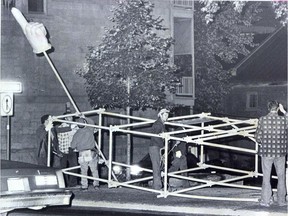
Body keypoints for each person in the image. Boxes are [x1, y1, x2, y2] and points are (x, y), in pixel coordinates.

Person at [255, 101, 287, 207]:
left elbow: (257, 138)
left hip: (267, 152)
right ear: (277, 108)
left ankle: (265, 201)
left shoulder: (262, 119)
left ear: (268, 108)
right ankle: (282, 201)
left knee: (266, 177)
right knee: (281, 176)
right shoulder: (283, 120)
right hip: (281, 153)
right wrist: (284, 111)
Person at [71, 116, 100, 191]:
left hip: (82, 153)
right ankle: (96, 185)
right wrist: (84, 117)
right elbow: (92, 122)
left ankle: (84, 186)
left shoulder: (76, 134)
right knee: (94, 169)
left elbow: (72, 145)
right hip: (91, 152)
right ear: (85, 123)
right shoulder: (90, 130)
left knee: (84, 170)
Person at [56, 112, 79, 188]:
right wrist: (71, 127)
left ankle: (73, 183)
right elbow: (60, 130)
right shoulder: (61, 126)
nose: (71, 119)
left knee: (74, 166)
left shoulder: (74, 126)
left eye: (71, 117)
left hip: (71, 149)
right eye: (69, 117)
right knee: (63, 167)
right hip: (63, 149)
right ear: (65, 118)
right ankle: (64, 183)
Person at [149, 108, 169, 190]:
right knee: (157, 167)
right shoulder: (158, 124)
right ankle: (157, 186)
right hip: (155, 147)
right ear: (160, 115)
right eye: (165, 115)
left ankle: (156, 185)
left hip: (157, 147)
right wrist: (163, 145)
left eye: (167, 115)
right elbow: (155, 136)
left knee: (158, 167)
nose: (166, 117)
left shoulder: (161, 124)